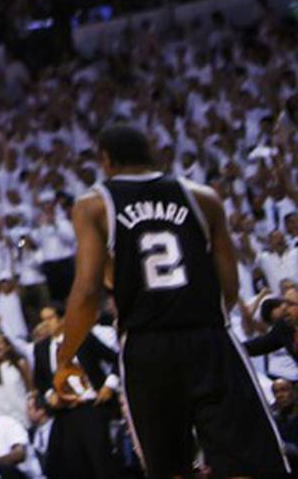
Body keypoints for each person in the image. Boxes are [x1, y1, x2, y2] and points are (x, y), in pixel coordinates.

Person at [55, 122, 290, 477]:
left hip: (147, 347)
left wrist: (66, 355)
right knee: (246, 462)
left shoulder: (93, 205)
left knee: (169, 468)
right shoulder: (203, 196)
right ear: (150, 152)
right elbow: (228, 285)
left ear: (105, 159)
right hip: (208, 336)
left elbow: (88, 291)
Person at [27, 309, 118, 479]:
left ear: (62, 319)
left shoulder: (82, 338)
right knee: (73, 464)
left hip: (91, 406)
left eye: (51, 318)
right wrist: (49, 395)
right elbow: (40, 379)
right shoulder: (41, 348)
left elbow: (115, 358)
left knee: (100, 459)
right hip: (64, 412)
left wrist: (109, 385)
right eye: (43, 320)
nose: (47, 323)